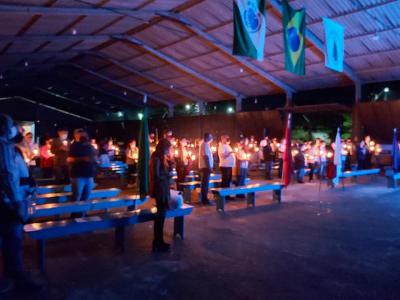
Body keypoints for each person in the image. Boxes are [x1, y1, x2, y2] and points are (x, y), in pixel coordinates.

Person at [0, 114, 41, 293]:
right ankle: (17, 279)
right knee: (13, 240)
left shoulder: (9, 147)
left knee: (11, 241)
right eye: (12, 126)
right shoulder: (3, 146)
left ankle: (11, 275)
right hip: (8, 203)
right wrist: (18, 202)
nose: (16, 130)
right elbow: (8, 176)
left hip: (9, 200)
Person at [149, 139, 172, 252]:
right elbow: (156, 176)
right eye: (168, 148)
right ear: (163, 147)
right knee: (160, 216)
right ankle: (157, 242)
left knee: (162, 216)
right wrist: (168, 176)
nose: (169, 151)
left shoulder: (161, 158)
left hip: (163, 188)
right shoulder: (156, 158)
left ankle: (159, 241)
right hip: (159, 190)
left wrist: (169, 169)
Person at [67, 129, 96, 216]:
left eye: (85, 135)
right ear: (76, 136)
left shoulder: (89, 145)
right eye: (81, 135)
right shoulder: (74, 146)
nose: (84, 137)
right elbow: (69, 159)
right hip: (78, 174)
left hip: (89, 174)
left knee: (86, 195)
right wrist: (83, 159)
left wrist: (95, 159)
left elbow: (94, 156)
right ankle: (75, 214)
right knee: (77, 196)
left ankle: (83, 213)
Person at [199, 133, 214, 205]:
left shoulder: (206, 145)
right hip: (205, 168)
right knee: (205, 184)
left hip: (206, 167)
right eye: (211, 137)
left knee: (205, 183)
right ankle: (204, 199)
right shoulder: (204, 145)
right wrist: (209, 167)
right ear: (207, 137)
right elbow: (206, 157)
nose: (212, 139)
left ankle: (204, 198)